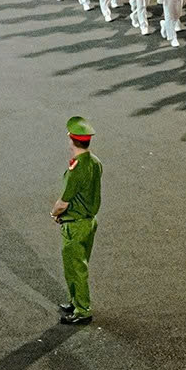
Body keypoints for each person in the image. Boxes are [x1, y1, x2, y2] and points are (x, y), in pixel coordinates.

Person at [53, 117, 102, 326]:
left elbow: (64, 202)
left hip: (75, 224)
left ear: (71, 140)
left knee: (75, 267)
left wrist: (54, 212)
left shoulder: (76, 169)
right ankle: (75, 302)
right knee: (77, 265)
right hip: (89, 221)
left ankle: (82, 310)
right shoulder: (95, 162)